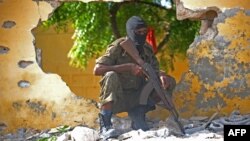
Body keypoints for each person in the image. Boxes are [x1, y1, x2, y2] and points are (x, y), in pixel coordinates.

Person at [93, 16, 176, 139]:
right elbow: (97, 70)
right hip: (117, 98)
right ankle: (105, 125)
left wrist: (161, 76)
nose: (142, 35)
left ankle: (138, 113)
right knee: (111, 75)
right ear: (130, 32)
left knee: (169, 81)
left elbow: (155, 70)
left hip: (138, 97)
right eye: (138, 32)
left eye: (144, 32)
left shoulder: (146, 49)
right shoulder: (118, 46)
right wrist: (127, 67)